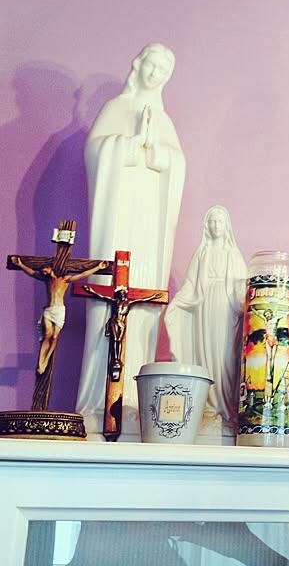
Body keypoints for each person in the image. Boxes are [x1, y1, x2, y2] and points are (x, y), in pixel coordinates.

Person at [76, 43, 186, 440]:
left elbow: (177, 165)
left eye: (164, 71)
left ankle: (136, 404)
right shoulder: (115, 110)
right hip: (117, 226)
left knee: (143, 307)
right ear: (138, 65)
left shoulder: (164, 121)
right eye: (153, 66)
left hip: (149, 232)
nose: (156, 74)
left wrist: (155, 151)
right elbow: (95, 152)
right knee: (105, 306)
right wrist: (127, 144)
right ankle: (96, 402)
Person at [164, 206, 246, 443]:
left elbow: (241, 289)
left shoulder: (233, 255)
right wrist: (180, 301)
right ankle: (208, 408)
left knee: (225, 359)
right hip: (204, 308)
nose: (215, 226)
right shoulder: (202, 254)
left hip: (226, 310)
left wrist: (246, 302)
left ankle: (227, 410)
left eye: (219, 222)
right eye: (212, 222)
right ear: (206, 226)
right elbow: (191, 284)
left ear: (226, 226)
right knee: (204, 355)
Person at [11, 256, 108, 410]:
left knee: (55, 337)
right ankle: (41, 362)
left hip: (59, 311)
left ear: (51, 268)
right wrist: (21, 264)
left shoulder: (64, 279)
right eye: (42, 270)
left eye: (45, 268)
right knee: (47, 335)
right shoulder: (45, 280)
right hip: (49, 310)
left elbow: (82, 275)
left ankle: (46, 358)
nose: (43, 271)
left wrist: (98, 267)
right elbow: (31, 272)